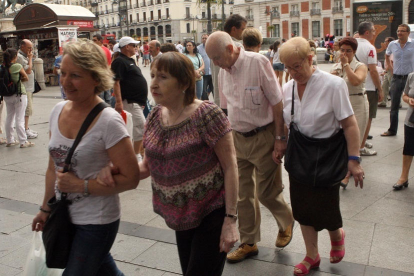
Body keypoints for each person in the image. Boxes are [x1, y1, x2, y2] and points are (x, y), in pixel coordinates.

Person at [100, 52, 239, 275]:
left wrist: (230, 220)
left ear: (184, 82)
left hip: (211, 212)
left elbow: (231, 166)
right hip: (180, 215)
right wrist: (115, 170)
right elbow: (147, 166)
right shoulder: (155, 115)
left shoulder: (207, 114)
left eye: (163, 77)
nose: (153, 83)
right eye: (153, 75)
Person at [31, 40, 139, 275]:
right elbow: (53, 169)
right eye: (63, 73)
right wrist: (45, 208)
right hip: (64, 216)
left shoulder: (109, 121)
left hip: (97, 220)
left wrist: (81, 185)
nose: (66, 82)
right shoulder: (57, 111)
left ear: (96, 78)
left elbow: (132, 178)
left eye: (76, 76)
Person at [206, 31, 294, 263]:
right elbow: (224, 110)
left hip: (263, 136)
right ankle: (249, 242)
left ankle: (287, 220)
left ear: (230, 48)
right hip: (237, 138)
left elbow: (277, 103)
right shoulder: (223, 72)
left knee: (266, 192)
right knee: (242, 195)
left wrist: (279, 138)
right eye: (211, 60)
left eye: (216, 58)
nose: (214, 64)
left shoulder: (258, 63)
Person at [280, 37, 364, 276]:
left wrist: (354, 160)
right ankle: (311, 255)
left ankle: (337, 234)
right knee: (302, 208)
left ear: (310, 58)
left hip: (327, 153)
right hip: (300, 154)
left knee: (326, 206)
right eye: (288, 67)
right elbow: (287, 124)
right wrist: (280, 145)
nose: (293, 72)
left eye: (297, 66)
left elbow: (349, 124)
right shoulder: (288, 88)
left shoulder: (333, 84)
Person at [331, 37, 369, 188]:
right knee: (341, 138)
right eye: (342, 50)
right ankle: (345, 168)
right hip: (341, 104)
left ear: (354, 52)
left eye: (348, 51)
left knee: (354, 139)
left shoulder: (360, 66)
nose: (345, 53)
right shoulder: (336, 66)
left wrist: (346, 65)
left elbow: (355, 81)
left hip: (357, 103)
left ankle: (347, 174)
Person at [111, 37, 148, 159]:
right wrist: (118, 102)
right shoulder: (120, 61)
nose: (136, 48)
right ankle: (136, 155)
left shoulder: (128, 60)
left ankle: (135, 153)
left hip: (136, 101)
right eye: (134, 45)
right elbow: (116, 82)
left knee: (136, 128)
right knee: (141, 127)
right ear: (127, 46)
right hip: (130, 101)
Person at [355, 21, 384, 155]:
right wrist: (380, 88)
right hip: (368, 86)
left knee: (354, 117)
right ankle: (361, 147)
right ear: (367, 32)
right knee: (368, 117)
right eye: (373, 31)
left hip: (354, 85)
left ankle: (361, 140)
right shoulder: (370, 48)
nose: (374, 33)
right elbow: (373, 71)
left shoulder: (352, 44)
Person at [381, 24, 414, 137]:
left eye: (402, 31)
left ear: (408, 33)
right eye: (398, 31)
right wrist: (390, 68)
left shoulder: (413, 43)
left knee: (412, 102)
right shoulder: (392, 44)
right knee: (394, 105)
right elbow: (387, 55)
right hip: (396, 77)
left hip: (410, 78)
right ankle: (392, 130)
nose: (399, 33)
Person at [2, 48, 33, 148]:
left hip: (7, 95)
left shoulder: (2, 67)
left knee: (9, 117)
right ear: (14, 57)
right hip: (19, 93)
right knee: (20, 118)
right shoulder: (17, 66)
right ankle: (23, 141)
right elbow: (26, 77)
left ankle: (10, 140)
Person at [393, 72, 414, 190]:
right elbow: (405, 95)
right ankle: (404, 177)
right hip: (411, 119)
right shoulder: (412, 76)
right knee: (408, 149)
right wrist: (409, 100)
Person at [17, 39, 37, 139]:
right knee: (27, 110)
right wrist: (30, 58)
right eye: (29, 48)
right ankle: (25, 129)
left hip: (29, 87)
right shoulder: (20, 57)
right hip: (25, 87)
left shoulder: (23, 56)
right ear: (22, 47)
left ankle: (26, 128)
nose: (30, 50)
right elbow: (28, 70)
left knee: (28, 109)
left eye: (31, 48)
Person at [92, 34, 112, 104]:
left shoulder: (98, 50)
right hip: (106, 75)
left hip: (100, 75)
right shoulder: (107, 50)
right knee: (107, 96)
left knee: (101, 96)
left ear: (100, 41)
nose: (93, 42)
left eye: (95, 40)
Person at [378, 37, 395, 108]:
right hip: (387, 71)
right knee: (384, 86)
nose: (384, 43)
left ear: (389, 42)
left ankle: (396, 102)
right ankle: (383, 101)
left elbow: (391, 62)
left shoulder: (393, 50)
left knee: (393, 87)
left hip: (390, 71)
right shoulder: (388, 50)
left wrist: (385, 71)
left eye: (385, 41)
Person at [198, 34, 214, 100]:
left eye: (206, 38)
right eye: (203, 38)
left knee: (214, 90)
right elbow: (198, 59)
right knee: (203, 91)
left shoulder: (213, 47)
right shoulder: (198, 48)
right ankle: (206, 105)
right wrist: (200, 69)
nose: (204, 39)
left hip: (213, 73)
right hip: (204, 73)